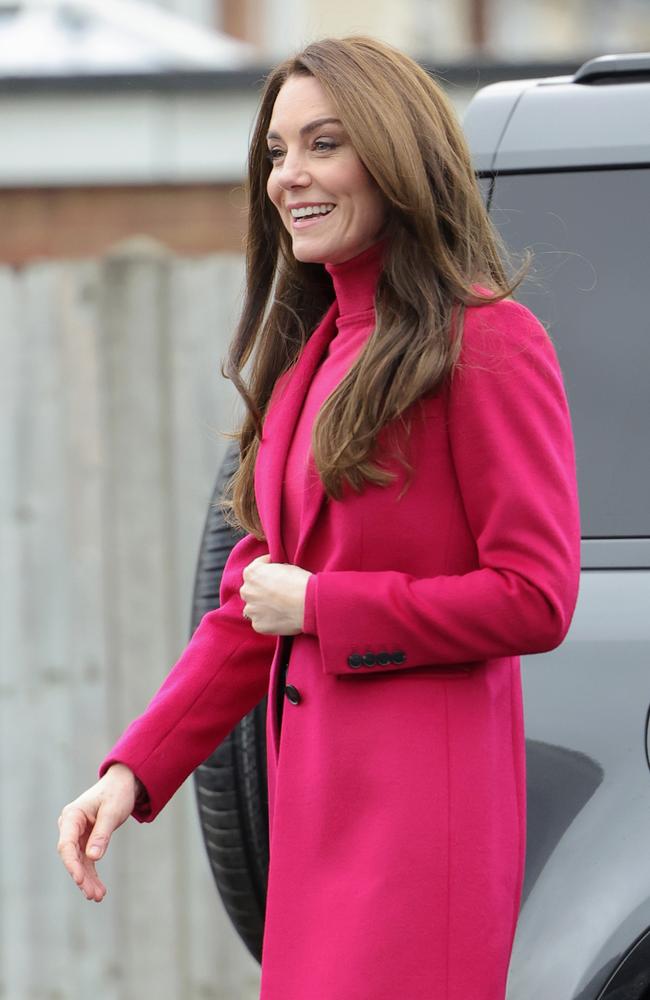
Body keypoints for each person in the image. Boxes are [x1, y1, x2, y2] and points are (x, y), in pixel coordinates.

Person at [57, 35, 581, 1000]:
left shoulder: (489, 341)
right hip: (317, 831)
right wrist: (133, 772)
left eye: (323, 145)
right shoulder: (311, 361)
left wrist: (326, 606)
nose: (287, 176)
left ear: (395, 157)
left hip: (423, 832)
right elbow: (252, 604)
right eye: (276, 151)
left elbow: (534, 598)